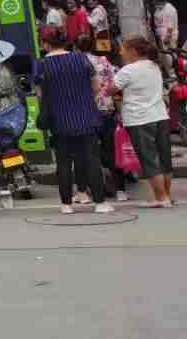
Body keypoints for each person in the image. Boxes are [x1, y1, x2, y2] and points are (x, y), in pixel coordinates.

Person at [34, 25, 110, 214]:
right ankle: (100, 203)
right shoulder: (80, 58)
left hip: (60, 120)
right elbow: (96, 86)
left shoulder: (42, 65)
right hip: (86, 117)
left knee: (63, 162)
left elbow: (41, 95)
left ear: (45, 43)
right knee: (91, 159)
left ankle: (66, 204)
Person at [112, 33, 173, 208]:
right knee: (164, 158)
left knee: (149, 159)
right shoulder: (154, 66)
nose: (121, 53)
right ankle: (165, 195)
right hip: (160, 115)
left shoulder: (127, 70)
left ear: (133, 51)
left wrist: (117, 93)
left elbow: (110, 89)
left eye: (123, 49)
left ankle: (161, 198)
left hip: (139, 118)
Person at [78, 32, 127, 204]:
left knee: (89, 153)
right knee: (111, 150)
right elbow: (114, 85)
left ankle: (91, 190)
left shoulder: (75, 63)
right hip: (106, 110)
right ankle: (120, 190)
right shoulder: (104, 61)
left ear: (76, 48)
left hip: (85, 113)